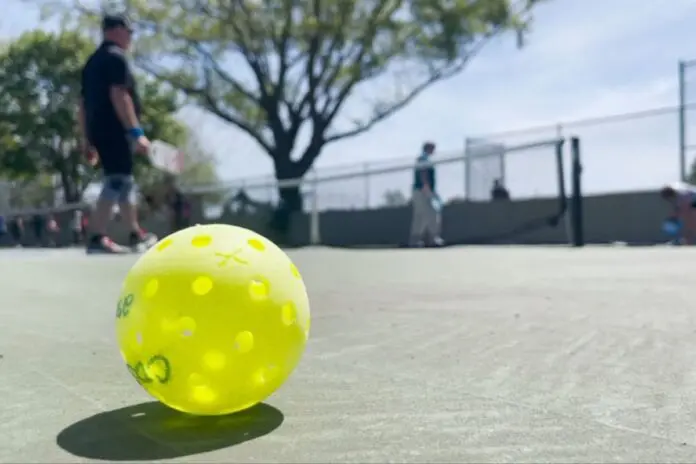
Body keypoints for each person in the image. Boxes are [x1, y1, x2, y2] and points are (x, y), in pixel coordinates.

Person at [78, 13, 157, 254]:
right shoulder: (116, 58)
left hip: (99, 131)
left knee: (124, 180)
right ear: (117, 30)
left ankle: (135, 233)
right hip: (115, 130)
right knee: (117, 180)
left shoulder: (92, 63)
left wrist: (86, 140)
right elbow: (120, 96)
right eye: (130, 32)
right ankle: (97, 237)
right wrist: (136, 132)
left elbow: (81, 105)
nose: (131, 37)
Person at [409, 141, 445, 247]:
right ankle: (425, 240)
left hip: (426, 190)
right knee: (426, 214)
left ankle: (428, 239)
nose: (434, 151)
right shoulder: (422, 159)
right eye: (433, 149)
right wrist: (426, 188)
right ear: (428, 149)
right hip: (422, 191)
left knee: (427, 214)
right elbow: (423, 173)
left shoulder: (426, 159)